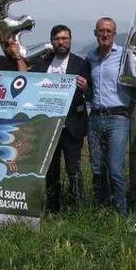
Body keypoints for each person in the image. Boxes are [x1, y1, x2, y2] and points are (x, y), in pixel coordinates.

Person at [85, 17, 136, 217]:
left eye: (109, 31)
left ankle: (121, 215)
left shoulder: (125, 55)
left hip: (118, 119)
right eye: (101, 30)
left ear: (114, 34)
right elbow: (88, 88)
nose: (105, 34)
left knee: (115, 170)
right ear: (95, 33)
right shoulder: (90, 57)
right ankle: (102, 210)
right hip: (95, 117)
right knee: (97, 169)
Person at [29, 24, 91, 213]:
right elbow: (26, 83)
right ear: (52, 41)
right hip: (48, 127)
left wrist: (86, 87)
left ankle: (77, 209)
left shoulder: (81, 64)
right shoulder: (42, 65)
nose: (61, 42)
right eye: (57, 39)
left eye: (65, 38)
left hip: (72, 127)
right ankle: (52, 210)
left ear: (70, 40)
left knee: (74, 170)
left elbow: (92, 94)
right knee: (51, 171)